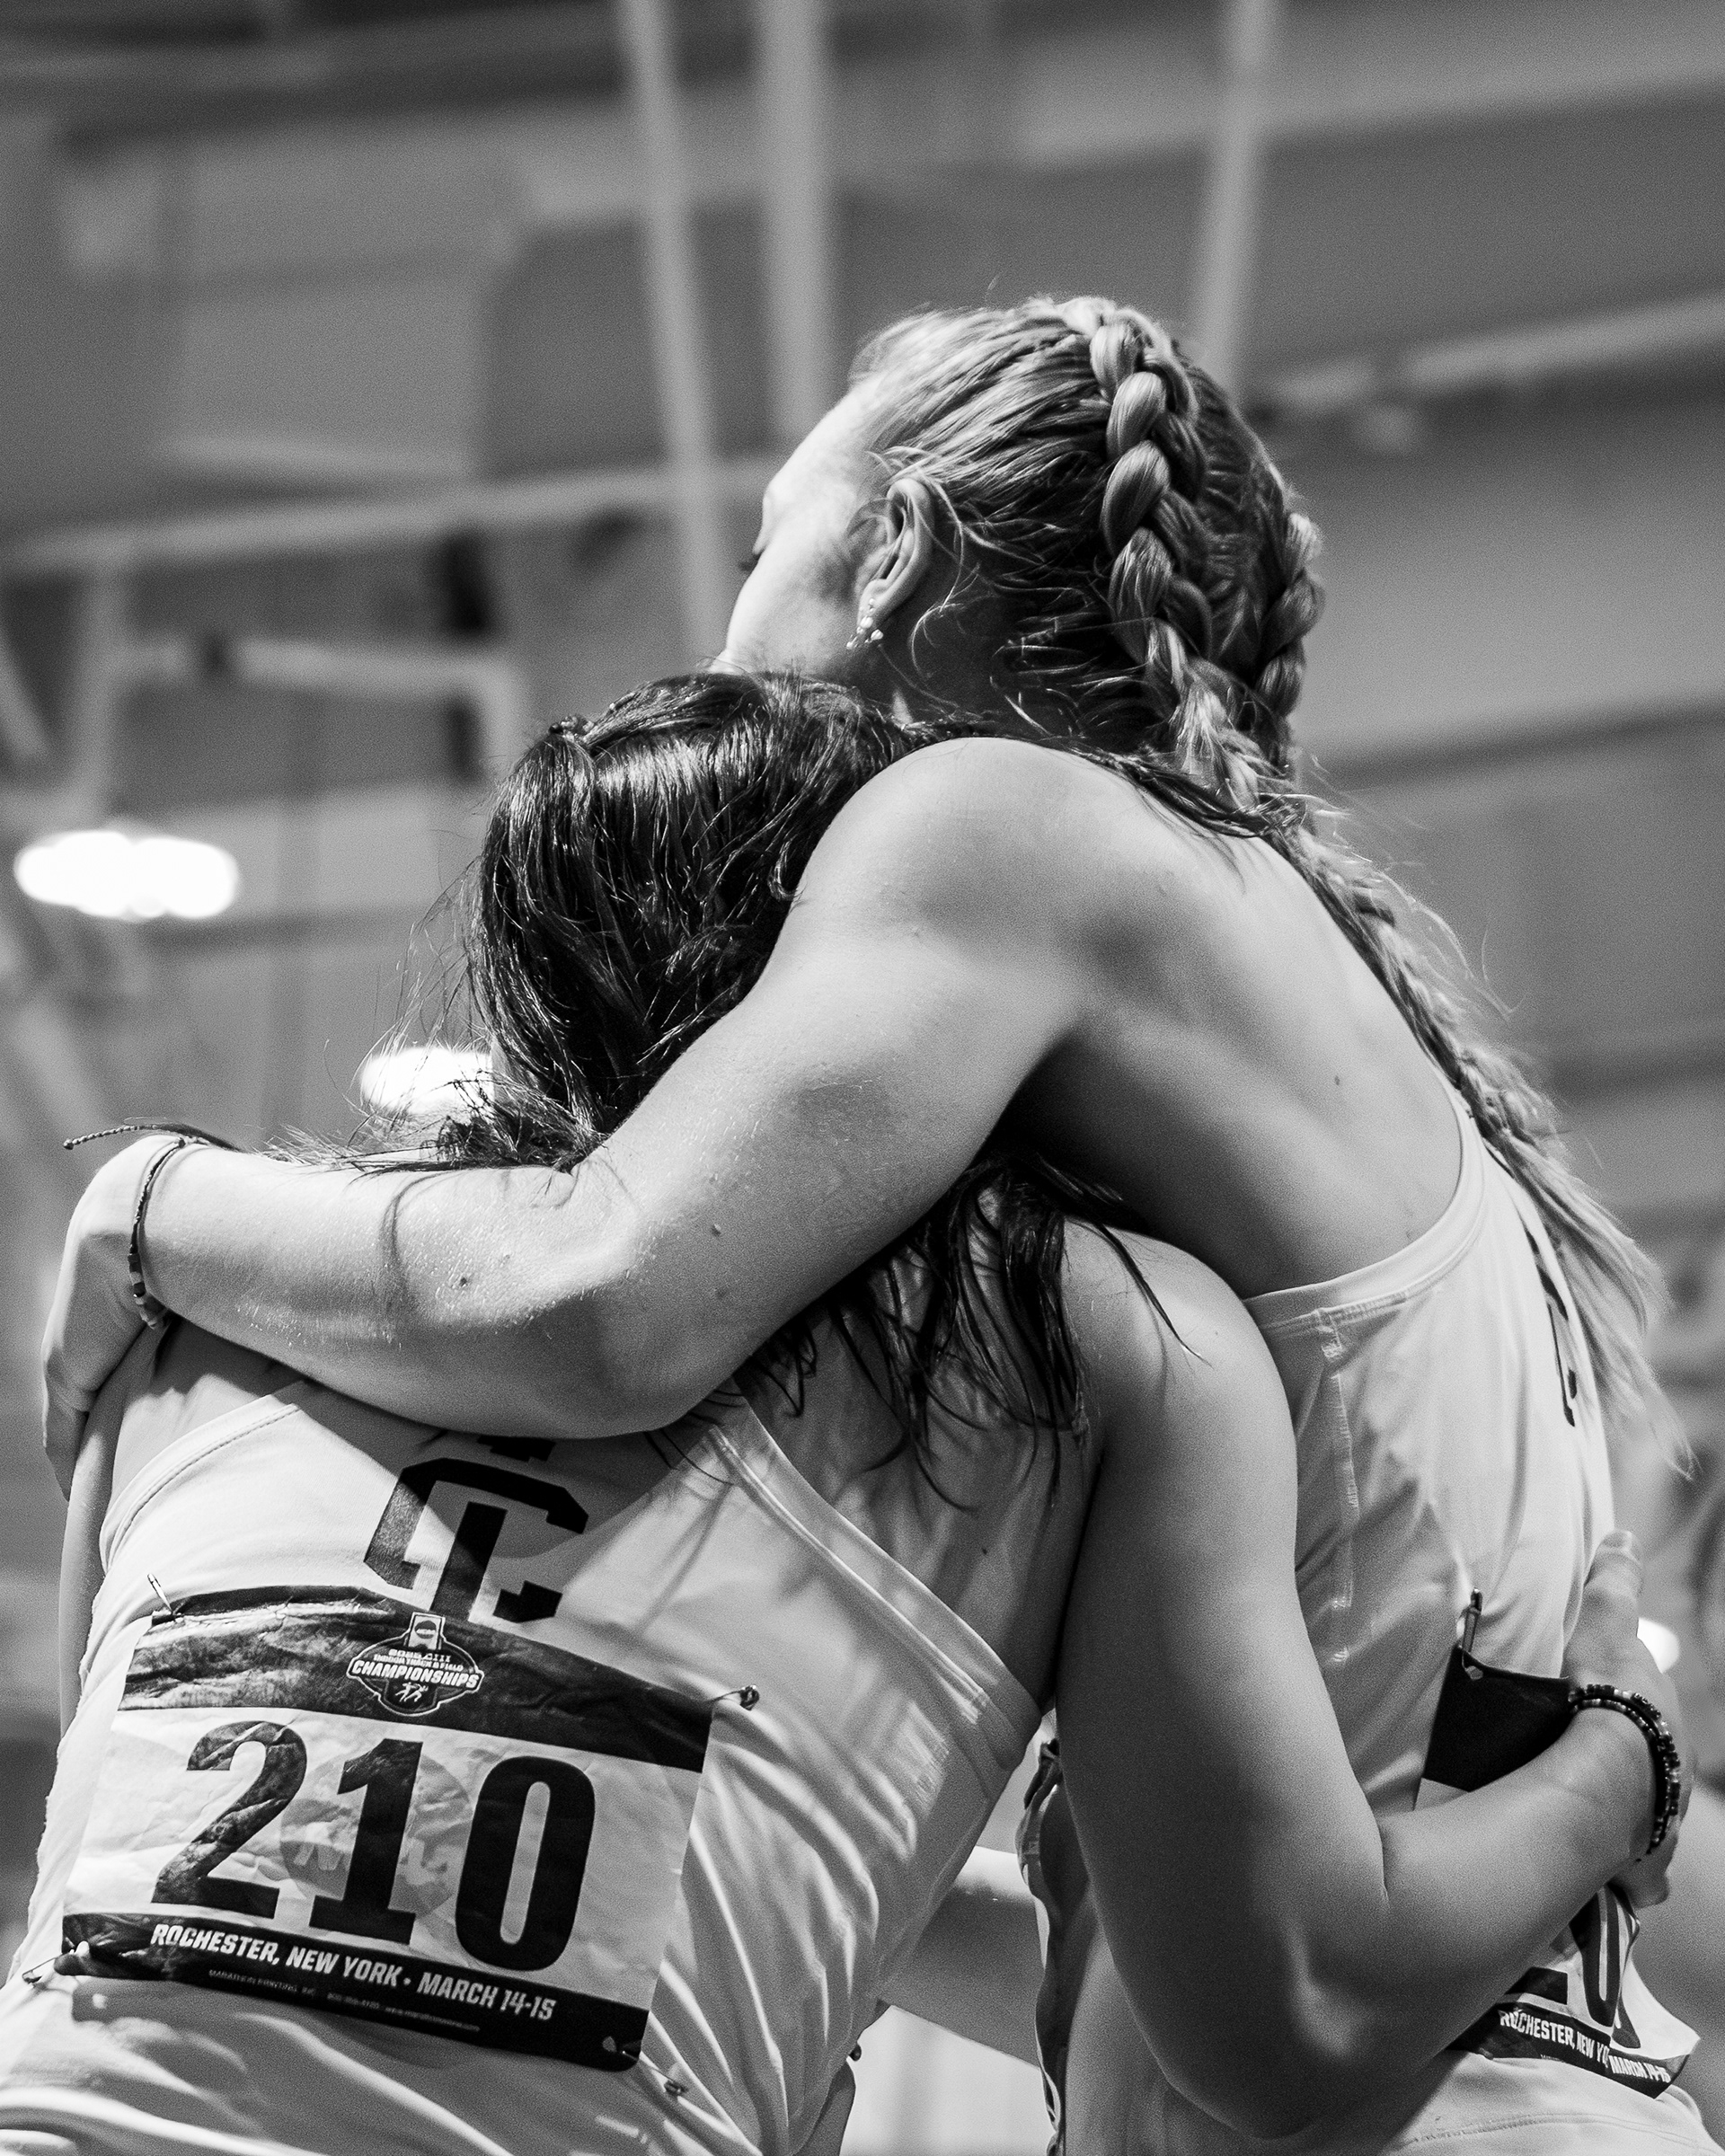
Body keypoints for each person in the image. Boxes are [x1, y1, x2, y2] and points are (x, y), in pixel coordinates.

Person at [39, 299, 1718, 2146]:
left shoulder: (1002, 830)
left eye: (757, 554)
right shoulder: (1344, 1062)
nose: (723, 643)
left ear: (894, 549)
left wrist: (150, 1198)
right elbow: (1193, 1947)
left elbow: (602, 1300)